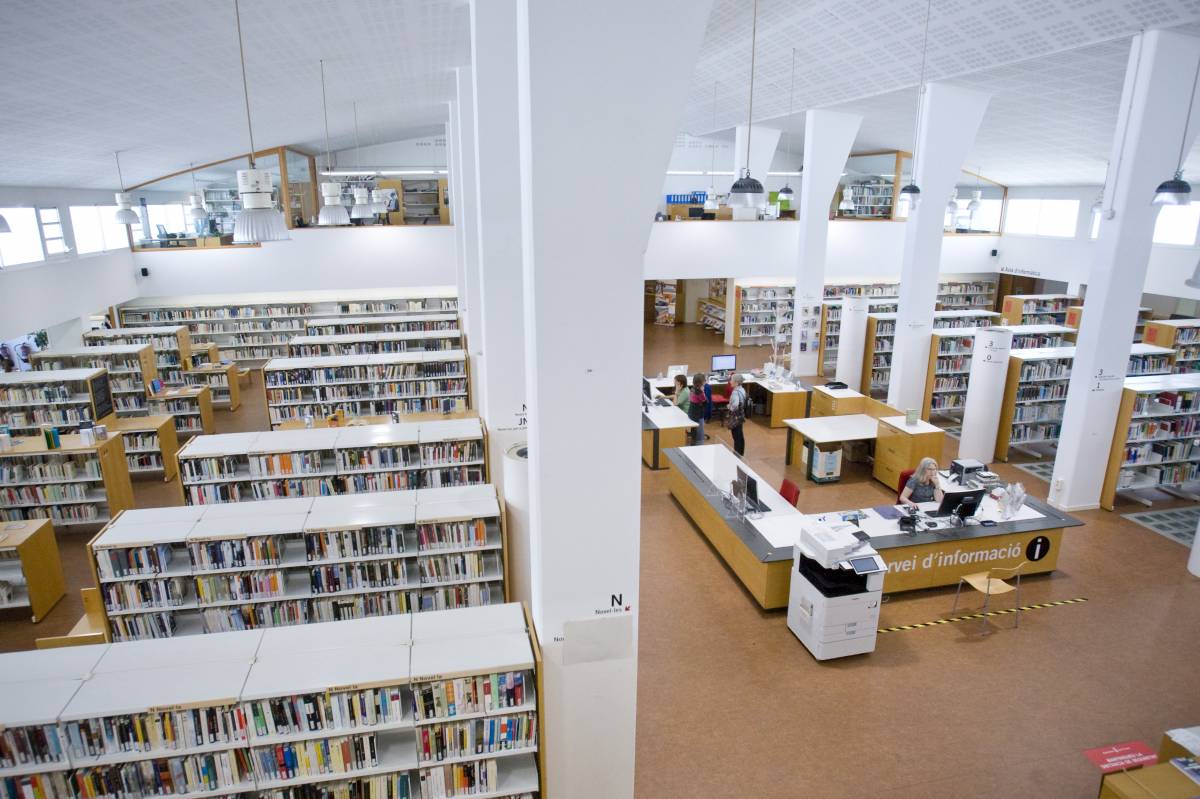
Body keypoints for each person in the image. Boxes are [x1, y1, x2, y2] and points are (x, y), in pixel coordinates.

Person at [726, 374, 748, 457]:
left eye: (731, 380)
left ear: (736, 383)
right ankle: (741, 452)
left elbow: (735, 405)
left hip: (735, 416)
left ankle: (736, 454)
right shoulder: (742, 389)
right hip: (741, 415)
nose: (730, 381)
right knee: (740, 435)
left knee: (736, 436)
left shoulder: (735, 392)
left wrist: (729, 407)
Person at [686, 373, 707, 445]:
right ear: (701, 383)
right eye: (704, 381)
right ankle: (699, 447)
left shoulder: (692, 389)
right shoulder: (700, 392)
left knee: (694, 432)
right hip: (698, 415)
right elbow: (705, 403)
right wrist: (703, 392)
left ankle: (693, 444)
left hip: (691, 413)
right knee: (700, 436)